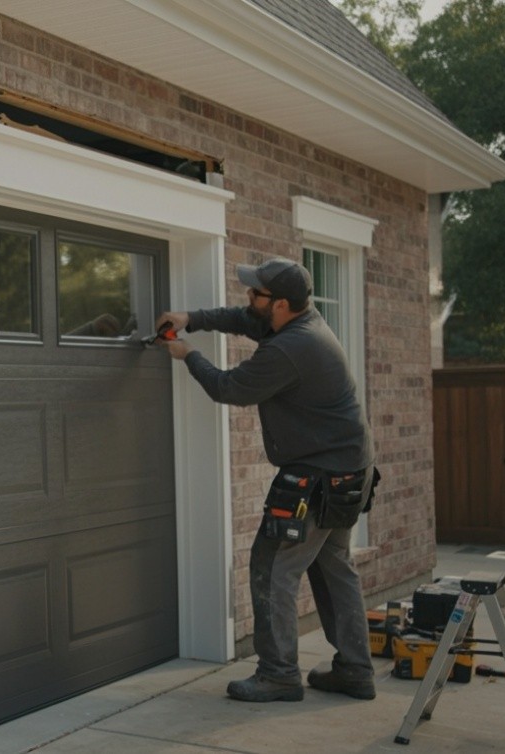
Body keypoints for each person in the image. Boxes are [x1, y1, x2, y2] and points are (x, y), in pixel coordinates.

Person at [156, 257, 377, 703]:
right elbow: (242, 320)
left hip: (320, 476)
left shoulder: (290, 349)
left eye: (256, 293)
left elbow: (229, 388)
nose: (247, 297)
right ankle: (355, 670)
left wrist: (187, 354)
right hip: (347, 469)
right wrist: (191, 319)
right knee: (335, 568)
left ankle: (278, 674)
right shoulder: (300, 323)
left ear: (278, 304)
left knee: (272, 566)